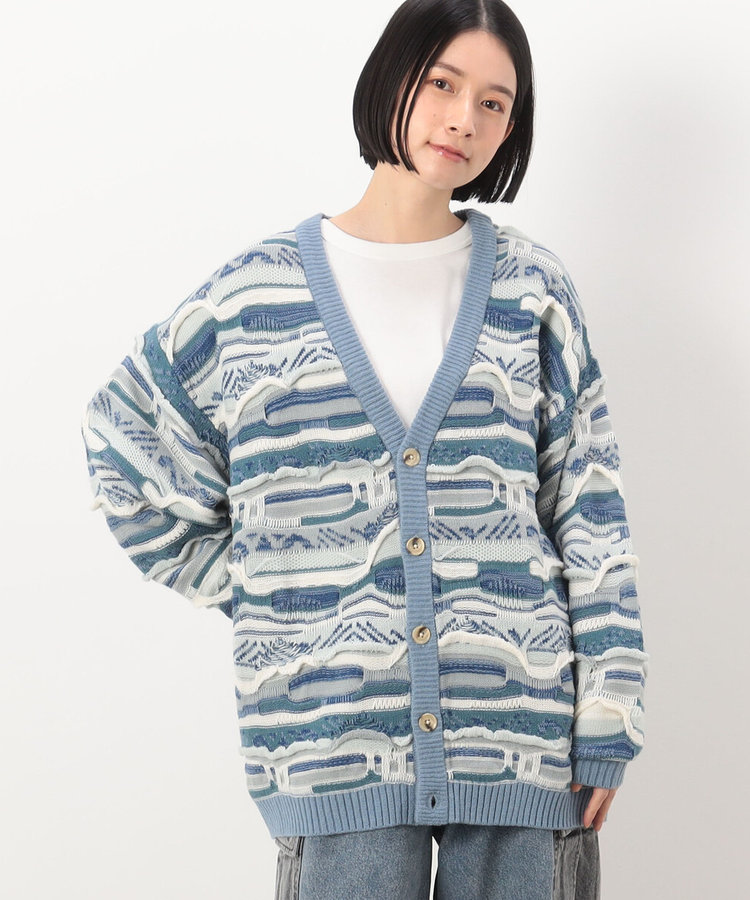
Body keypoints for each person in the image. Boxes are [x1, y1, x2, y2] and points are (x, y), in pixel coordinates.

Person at [79, 1, 648, 898]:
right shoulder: (254, 297)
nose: (464, 119)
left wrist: (611, 710)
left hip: (524, 740)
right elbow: (122, 445)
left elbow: (589, 506)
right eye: (442, 83)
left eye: (495, 103)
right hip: (328, 742)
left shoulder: (533, 288)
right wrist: (267, 589)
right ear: (393, 76)